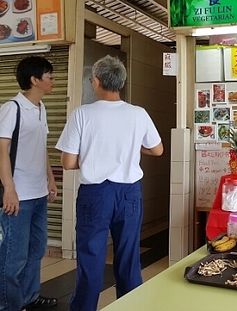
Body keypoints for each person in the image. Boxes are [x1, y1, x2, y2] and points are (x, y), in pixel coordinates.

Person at [56, 55, 163, 311]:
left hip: (95, 195)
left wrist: (95, 157)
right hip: (129, 194)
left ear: (96, 81)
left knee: (91, 260)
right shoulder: (138, 114)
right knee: (128, 259)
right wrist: (129, 150)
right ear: (121, 82)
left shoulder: (82, 114)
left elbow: (68, 162)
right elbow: (157, 150)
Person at [0, 56, 58, 311]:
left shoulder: (41, 108)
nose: (53, 81)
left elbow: (41, 148)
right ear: (35, 80)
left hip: (38, 192)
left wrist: (51, 178)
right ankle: (8, 305)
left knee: (36, 250)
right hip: (18, 195)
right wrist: (9, 189)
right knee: (14, 257)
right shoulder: (12, 108)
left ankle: (29, 298)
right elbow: (2, 150)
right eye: (49, 76)